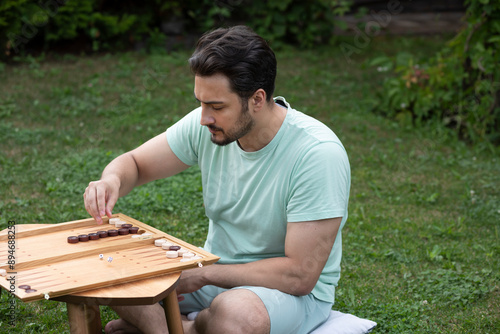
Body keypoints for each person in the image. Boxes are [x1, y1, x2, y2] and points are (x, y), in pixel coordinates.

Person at [83, 25, 350, 334]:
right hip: (212, 272)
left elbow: (299, 276)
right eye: (201, 102)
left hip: (288, 294)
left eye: (217, 106)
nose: (203, 118)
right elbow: (135, 164)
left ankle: (171, 326)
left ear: (257, 99)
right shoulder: (209, 126)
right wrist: (111, 181)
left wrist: (207, 274)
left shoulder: (317, 155)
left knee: (237, 315)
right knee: (111, 265)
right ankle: (176, 328)